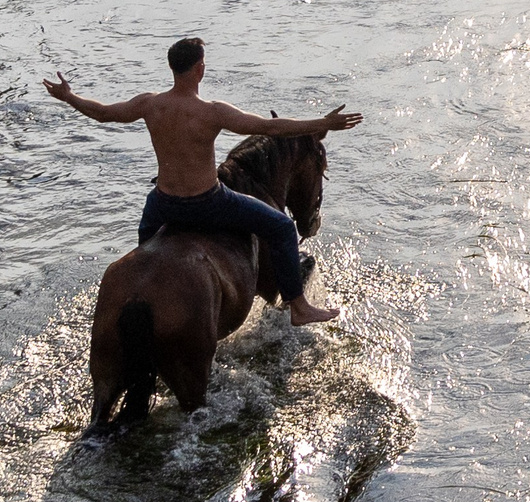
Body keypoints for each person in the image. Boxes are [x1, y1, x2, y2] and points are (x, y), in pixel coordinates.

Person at [44, 37, 361, 326]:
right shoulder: (211, 112)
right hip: (208, 203)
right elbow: (271, 127)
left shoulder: (150, 104)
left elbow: (103, 113)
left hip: (163, 204)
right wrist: (323, 123)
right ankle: (299, 306)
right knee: (280, 226)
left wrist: (69, 96)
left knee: (145, 253)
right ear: (200, 69)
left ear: (173, 68)